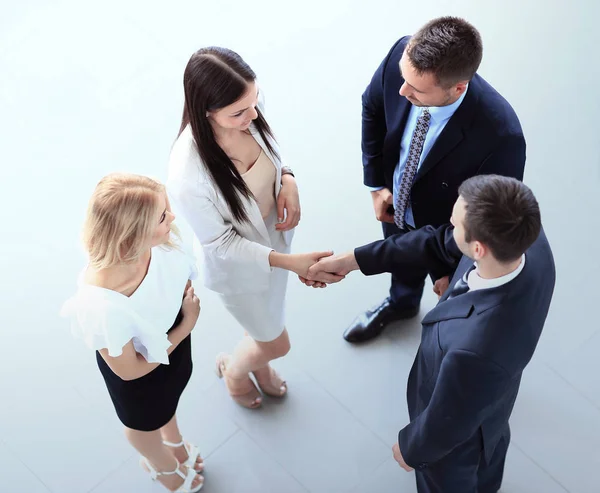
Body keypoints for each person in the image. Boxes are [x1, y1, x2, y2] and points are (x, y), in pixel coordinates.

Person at [305, 175, 555, 492]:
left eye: (455, 223)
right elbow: (435, 242)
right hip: (492, 401)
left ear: (478, 248)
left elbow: (448, 419)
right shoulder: (528, 240)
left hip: (459, 444)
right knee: (490, 459)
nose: (449, 225)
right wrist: (353, 260)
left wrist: (412, 450)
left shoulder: (475, 350)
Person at [167, 47, 338, 409]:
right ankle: (235, 373)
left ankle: (257, 358)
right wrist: (287, 262)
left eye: (255, 102)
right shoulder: (187, 175)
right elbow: (221, 244)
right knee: (278, 342)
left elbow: (272, 143)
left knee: (266, 322)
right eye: (241, 112)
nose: (254, 114)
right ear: (207, 111)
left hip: (273, 244)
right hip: (240, 269)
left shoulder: (244, 107)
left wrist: (288, 176)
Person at [345, 16, 527, 343]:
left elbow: (485, 221)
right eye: (403, 78)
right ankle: (401, 303)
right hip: (392, 202)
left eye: (416, 89)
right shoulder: (402, 55)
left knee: (451, 320)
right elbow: (372, 108)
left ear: (457, 88)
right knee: (398, 257)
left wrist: (447, 264)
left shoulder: (501, 136)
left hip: (443, 232)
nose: (402, 91)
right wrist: (377, 186)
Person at [61, 173, 204, 493]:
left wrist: (180, 325)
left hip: (171, 345)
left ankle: (174, 440)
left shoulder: (162, 242)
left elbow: (178, 281)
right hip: (143, 371)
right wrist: (185, 327)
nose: (173, 218)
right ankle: (163, 466)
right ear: (133, 233)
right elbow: (130, 370)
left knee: (166, 403)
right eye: (163, 216)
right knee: (142, 423)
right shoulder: (101, 306)